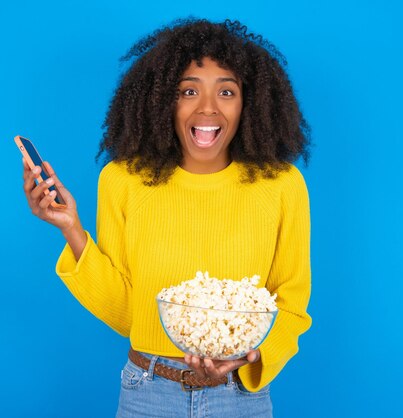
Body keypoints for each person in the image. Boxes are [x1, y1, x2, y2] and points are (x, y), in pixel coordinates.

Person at [21, 18, 312, 418]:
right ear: (161, 101)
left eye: (226, 91)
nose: (207, 107)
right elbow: (128, 313)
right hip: (148, 391)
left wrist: (247, 359)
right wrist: (71, 228)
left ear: (250, 103)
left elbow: (292, 306)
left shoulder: (282, 185)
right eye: (188, 91)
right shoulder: (123, 180)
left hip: (240, 396)